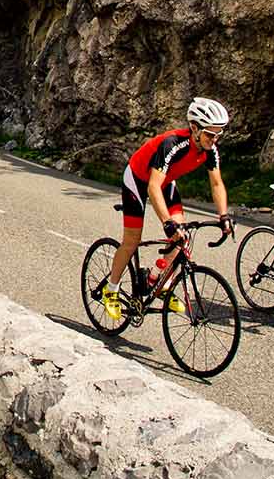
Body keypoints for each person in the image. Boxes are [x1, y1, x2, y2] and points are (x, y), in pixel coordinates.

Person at [100, 97, 234, 316]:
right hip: (138, 179)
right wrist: (167, 223)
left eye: (219, 134)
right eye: (210, 134)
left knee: (182, 237)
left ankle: (156, 280)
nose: (214, 139)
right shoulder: (172, 144)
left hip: (164, 181)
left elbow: (217, 183)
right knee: (132, 240)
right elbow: (153, 187)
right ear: (194, 128)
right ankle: (111, 289)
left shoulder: (210, 150)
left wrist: (223, 216)